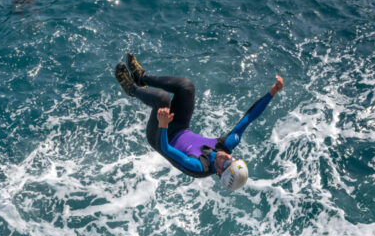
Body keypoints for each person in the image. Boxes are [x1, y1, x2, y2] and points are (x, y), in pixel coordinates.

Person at [114, 53, 284, 190]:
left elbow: (165, 148)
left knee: (162, 99)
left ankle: (132, 89)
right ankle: (142, 77)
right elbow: (248, 118)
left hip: (160, 137)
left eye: (226, 162)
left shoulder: (199, 166)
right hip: (180, 126)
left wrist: (163, 124)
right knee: (187, 87)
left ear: (218, 172)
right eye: (233, 158)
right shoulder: (226, 148)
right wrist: (271, 94)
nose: (226, 156)